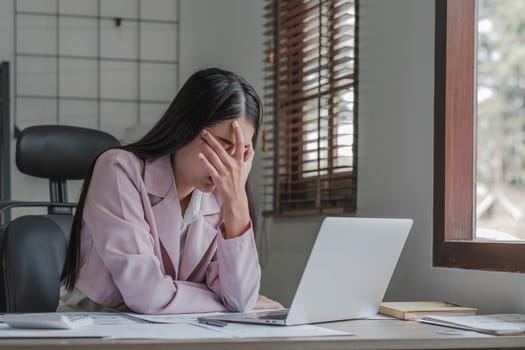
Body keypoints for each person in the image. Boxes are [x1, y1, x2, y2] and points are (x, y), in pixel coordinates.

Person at [59, 67, 282, 314]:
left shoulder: (224, 197)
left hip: (178, 330)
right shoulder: (118, 169)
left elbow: (240, 298)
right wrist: (224, 304)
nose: (230, 164)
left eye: (242, 151)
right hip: (98, 326)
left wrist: (237, 201)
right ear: (185, 127)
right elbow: (148, 295)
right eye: (221, 144)